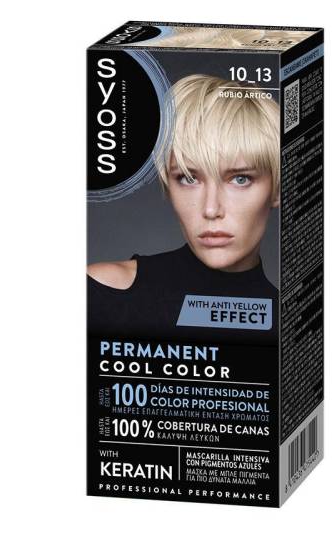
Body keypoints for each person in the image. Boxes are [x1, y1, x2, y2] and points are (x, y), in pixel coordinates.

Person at [87, 74, 280, 343]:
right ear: (168, 185)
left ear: (277, 189)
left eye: (240, 179)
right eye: (188, 178)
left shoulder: (290, 329)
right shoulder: (100, 293)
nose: (211, 209)